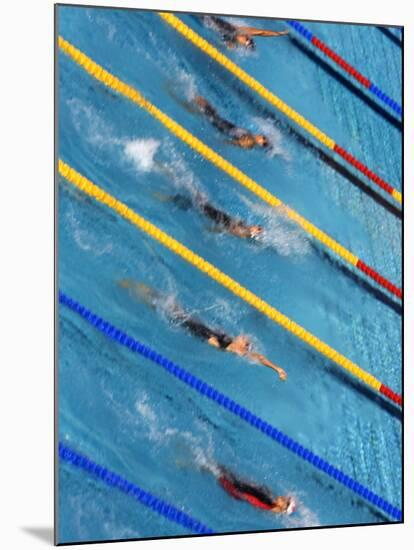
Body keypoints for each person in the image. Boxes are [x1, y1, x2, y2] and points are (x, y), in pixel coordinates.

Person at [118, 281, 287, 381]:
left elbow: (254, 356)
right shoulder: (230, 341)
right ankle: (138, 288)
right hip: (193, 321)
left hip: (188, 324)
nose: (245, 337)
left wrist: (274, 368)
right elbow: (259, 356)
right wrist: (277, 368)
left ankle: (131, 290)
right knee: (167, 301)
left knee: (160, 306)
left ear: (241, 348)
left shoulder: (227, 347)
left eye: (246, 342)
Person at [161, 192, 263, 240]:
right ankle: (172, 198)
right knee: (196, 203)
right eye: (257, 227)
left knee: (194, 204)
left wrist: (209, 229)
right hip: (213, 211)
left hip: (211, 214)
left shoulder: (242, 232)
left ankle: (170, 198)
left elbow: (225, 230)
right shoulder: (244, 226)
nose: (254, 226)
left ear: (253, 232)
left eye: (256, 228)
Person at [194, 96, 269, 150]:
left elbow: (236, 143)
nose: (262, 137)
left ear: (261, 144)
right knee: (211, 111)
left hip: (224, 128)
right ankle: (194, 97)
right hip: (227, 125)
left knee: (208, 113)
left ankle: (192, 98)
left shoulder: (249, 142)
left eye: (263, 140)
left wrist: (222, 142)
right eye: (264, 137)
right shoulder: (251, 136)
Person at [216, 466, 296, 514]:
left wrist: (234, 491)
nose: (285, 498)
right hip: (241, 485)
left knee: (217, 471)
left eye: (286, 502)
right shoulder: (272, 499)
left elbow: (250, 499)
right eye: (287, 499)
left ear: (282, 508)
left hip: (236, 488)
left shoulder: (267, 504)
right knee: (221, 469)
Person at [203, 15, 289, 50]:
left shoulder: (234, 41)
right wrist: (278, 33)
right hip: (213, 21)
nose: (243, 44)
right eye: (246, 43)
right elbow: (262, 32)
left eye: (245, 45)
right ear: (247, 38)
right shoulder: (241, 31)